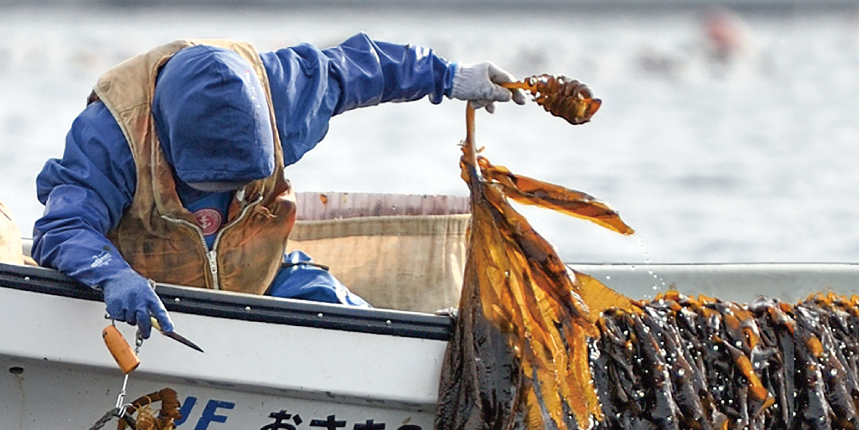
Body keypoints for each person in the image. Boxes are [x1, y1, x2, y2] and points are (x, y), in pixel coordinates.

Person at [32, 33, 524, 338]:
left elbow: (361, 68)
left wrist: (451, 76)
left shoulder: (279, 92)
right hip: (146, 287)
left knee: (369, 330)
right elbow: (65, 225)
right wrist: (112, 276)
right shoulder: (112, 134)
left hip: (265, 270)